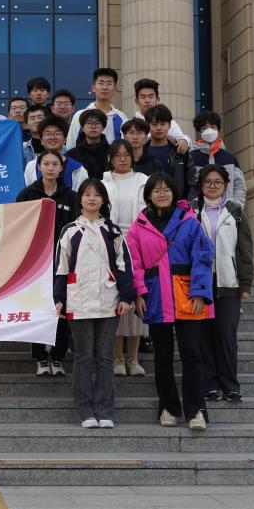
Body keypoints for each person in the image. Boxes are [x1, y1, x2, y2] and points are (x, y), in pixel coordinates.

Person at [125, 172, 214, 431]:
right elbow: (134, 263)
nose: (161, 194)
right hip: (156, 295)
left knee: (192, 354)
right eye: (156, 190)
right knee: (162, 356)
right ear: (148, 195)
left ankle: (196, 410)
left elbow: (203, 256)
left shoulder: (189, 221)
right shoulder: (138, 226)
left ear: (174, 193)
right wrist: (139, 293)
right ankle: (169, 408)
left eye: (166, 189)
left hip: (187, 294)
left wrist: (199, 292)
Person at [54, 179, 136, 429]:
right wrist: (59, 299)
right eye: (87, 194)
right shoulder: (70, 231)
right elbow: (60, 268)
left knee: (104, 357)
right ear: (79, 199)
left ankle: (105, 410)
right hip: (77, 300)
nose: (92, 198)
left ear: (103, 200)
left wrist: (126, 297)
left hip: (108, 300)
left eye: (97, 195)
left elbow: (124, 266)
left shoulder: (113, 231)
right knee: (83, 357)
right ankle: (85, 411)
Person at [16, 150, 78, 376]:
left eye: (55, 164)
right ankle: (41, 356)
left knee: (60, 305)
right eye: (46, 164)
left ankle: (58, 356)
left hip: (63, 259)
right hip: (35, 261)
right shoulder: (27, 194)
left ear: (61, 168)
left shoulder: (71, 196)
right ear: (39, 167)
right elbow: (17, 225)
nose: (50, 168)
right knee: (39, 307)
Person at [194, 164, 253, 402]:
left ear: (225, 186)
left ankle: (230, 385)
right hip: (200, 282)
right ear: (201, 185)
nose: (212, 186)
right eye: (208, 181)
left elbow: (245, 249)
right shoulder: (192, 210)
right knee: (204, 334)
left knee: (226, 334)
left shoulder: (235, 211)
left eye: (217, 182)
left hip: (228, 281)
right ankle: (210, 385)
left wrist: (245, 283)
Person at [102, 140, 149, 377]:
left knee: (138, 297)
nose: (122, 159)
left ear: (133, 157)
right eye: (117, 155)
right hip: (110, 243)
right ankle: (117, 358)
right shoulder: (103, 183)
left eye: (126, 155)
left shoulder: (144, 181)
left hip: (139, 242)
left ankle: (133, 358)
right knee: (116, 299)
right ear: (110, 159)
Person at [188, 111, 247, 208]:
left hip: (227, 212)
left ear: (218, 130)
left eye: (212, 127)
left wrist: (236, 209)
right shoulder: (191, 158)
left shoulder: (230, 159)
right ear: (199, 131)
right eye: (204, 128)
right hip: (198, 211)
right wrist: (191, 209)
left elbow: (239, 186)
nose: (209, 131)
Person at [23, 116, 89, 190]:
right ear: (41, 140)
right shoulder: (31, 167)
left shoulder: (78, 170)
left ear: (65, 139)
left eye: (57, 134)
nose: (52, 137)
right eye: (48, 134)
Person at [67, 69, 128, 147]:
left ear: (115, 89)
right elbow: (71, 146)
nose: (105, 87)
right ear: (93, 88)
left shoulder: (122, 117)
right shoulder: (80, 115)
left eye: (109, 83)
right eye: (101, 83)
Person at [143, 105, 194, 200]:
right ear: (147, 125)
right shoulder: (141, 153)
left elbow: (192, 182)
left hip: (178, 205)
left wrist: (186, 205)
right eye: (154, 124)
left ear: (169, 125)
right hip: (148, 205)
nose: (159, 128)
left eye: (163, 124)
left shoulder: (180, 151)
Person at [133, 79, 190, 153]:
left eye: (151, 97)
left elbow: (182, 139)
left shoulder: (171, 123)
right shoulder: (129, 124)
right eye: (143, 97)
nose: (147, 100)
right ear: (136, 101)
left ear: (158, 99)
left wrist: (185, 140)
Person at [67, 109, 110, 179]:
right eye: (89, 123)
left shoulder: (111, 152)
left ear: (103, 128)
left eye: (97, 123)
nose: (93, 126)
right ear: (82, 128)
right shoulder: (72, 154)